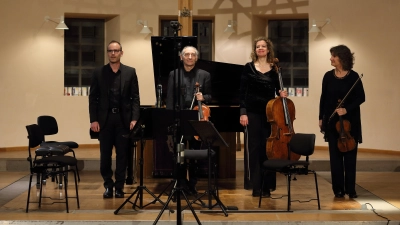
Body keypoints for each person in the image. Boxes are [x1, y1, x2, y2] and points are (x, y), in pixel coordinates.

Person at [89, 40, 140, 199]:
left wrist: (135, 118)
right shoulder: (99, 72)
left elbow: (135, 98)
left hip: (123, 120)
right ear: (107, 53)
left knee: (122, 155)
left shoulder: (130, 72)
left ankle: (119, 187)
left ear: (121, 53)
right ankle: (108, 186)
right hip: (104, 120)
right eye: (110, 51)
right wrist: (94, 120)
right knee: (105, 156)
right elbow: (93, 98)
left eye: (116, 50)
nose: (113, 53)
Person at [239, 37, 287, 197]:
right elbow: (242, 92)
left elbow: (280, 90)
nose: (260, 48)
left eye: (263, 46)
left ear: (268, 50)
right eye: (258, 46)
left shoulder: (275, 69)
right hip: (252, 113)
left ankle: (267, 186)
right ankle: (256, 185)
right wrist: (243, 112)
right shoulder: (248, 68)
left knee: (268, 149)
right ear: (255, 50)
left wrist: (282, 93)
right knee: (254, 149)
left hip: (270, 115)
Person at [319, 45, 365, 199]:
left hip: (349, 122)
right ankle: (338, 189)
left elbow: (361, 98)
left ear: (342, 58)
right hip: (333, 122)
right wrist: (321, 117)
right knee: (335, 158)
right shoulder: (327, 76)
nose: (331, 58)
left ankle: (351, 189)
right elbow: (323, 99)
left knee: (350, 157)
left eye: (334, 56)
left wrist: (347, 109)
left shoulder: (354, 77)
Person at [166, 46, 212, 195]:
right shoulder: (174, 74)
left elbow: (211, 96)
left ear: (196, 58)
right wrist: (170, 121)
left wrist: (203, 97)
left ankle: (192, 185)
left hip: (196, 116)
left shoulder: (204, 75)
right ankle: (179, 184)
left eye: (193, 55)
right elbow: (171, 98)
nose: (190, 57)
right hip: (180, 117)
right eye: (187, 54)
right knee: (178, 154)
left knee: (194, 153)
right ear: (181, 57)